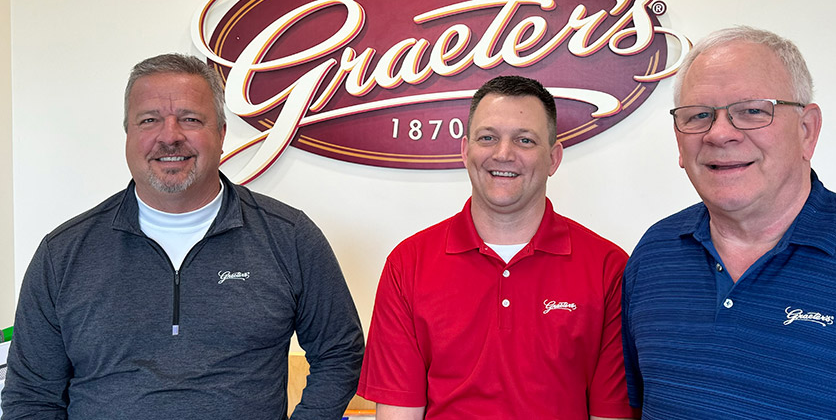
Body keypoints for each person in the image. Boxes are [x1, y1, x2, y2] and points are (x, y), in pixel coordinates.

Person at [1, 54, 364, 420]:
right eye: (149, 120)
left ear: (221, 134)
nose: (170, 136)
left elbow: (340, 352)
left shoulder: (290, 238)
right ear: (129, 135)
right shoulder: (62, 254)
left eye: (190, 119)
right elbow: (31, 396)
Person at [622, 26, 836, 419]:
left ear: (807, 131)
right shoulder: (655, 254)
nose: (719, 133)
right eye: (699, 115)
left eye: (752, 110)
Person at [358, 75, 637, 420]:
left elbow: (612, 414)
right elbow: (399, 414)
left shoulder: (609, 267)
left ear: (553, 158)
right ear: (465, 150)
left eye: (524, 140)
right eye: (488, 137)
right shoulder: (408, 264)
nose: (503, 154)